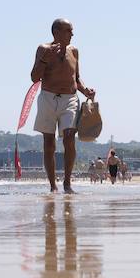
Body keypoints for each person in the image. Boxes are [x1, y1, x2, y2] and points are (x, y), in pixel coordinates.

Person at [30, 19, 96, 193]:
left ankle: (67, 183)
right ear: (56, 32)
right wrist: (45, 59)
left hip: (70, 99)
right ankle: (53, 186)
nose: (72, 34)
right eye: (69, 31)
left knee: (69, 137)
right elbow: (34, 77)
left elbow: (76, 77)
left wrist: (85, 90)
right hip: (48, 97)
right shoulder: (43, 49)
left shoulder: (74, 51)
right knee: (49, 142)